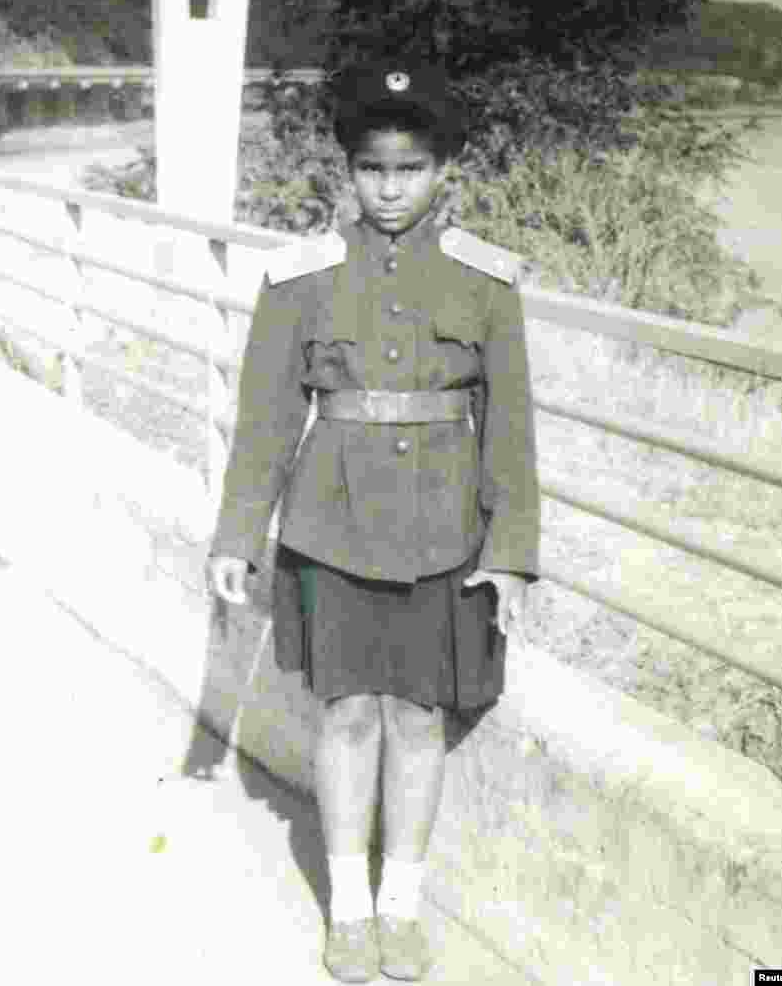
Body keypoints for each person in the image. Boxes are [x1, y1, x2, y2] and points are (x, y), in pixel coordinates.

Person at [207, 59, 539, 983]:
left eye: (410, 168)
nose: (389, 188)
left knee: (419, 719)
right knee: (349, 714)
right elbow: (267, 420)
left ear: (444, 174)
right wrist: (239, 534)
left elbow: (511, 431)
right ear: (346, 171)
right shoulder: (299, 277)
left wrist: (510, 553)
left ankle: (402, 902)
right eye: (371, 168)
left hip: (445, 536)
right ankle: (348, 909)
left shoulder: (486, 283)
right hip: (332, 531)